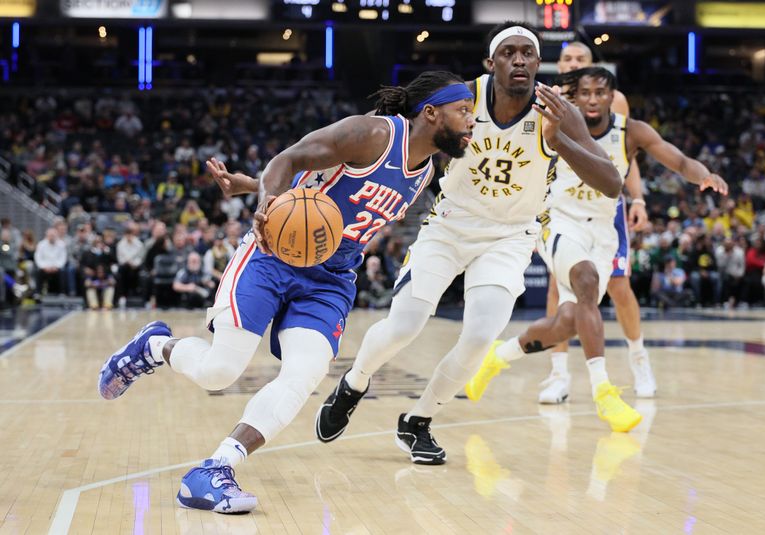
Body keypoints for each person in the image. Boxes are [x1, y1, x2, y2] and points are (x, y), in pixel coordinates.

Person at [96, 70, 476, 513]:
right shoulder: (372, 134)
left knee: (306, 373)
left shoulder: (425, 172)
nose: (472, 121)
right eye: (463, 111)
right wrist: (262, 202)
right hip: (273, 255)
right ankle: (154, 346)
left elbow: (320, 202)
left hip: (332, 277)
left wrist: (246, 182)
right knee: (220, 371)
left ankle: (216, 468)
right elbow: (288, 161)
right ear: (430, 113)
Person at [315, 22, 623, 465]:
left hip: (510, 237)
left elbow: (611, 183)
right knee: (404, 325)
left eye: (528, 54)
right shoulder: (462, 98)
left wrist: (562, 143)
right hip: (450, 226)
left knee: (480, 337)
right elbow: (407, 135)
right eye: (509, 52)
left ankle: (417, 421)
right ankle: (355, 382)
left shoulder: (557, 111)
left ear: (539, 63)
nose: (519, 60)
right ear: (491, 62)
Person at [466, 67, 727, 431]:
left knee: (569, 323)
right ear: (576, 96)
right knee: (586, 281)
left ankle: (500, 355)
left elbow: (679, 160)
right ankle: (604, 392)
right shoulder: (558, 119)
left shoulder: (630, 132)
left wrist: (705, 176)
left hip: (602, 233)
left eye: (599, 92)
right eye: (584, 92)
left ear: (611, 96)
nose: (591, 99)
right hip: (557, 221)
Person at [534, 41, 658, 403]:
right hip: (562, 206)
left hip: (605, 206)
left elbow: (626, 154)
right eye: (568, 59)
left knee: (619, 286)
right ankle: (559, 376)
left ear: (594, 65)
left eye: (581, 59)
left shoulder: (613, 101)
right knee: (559, 288)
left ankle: (639, 361)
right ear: (558, 65)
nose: (574, 64)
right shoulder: (549, 99)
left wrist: (637, 199)